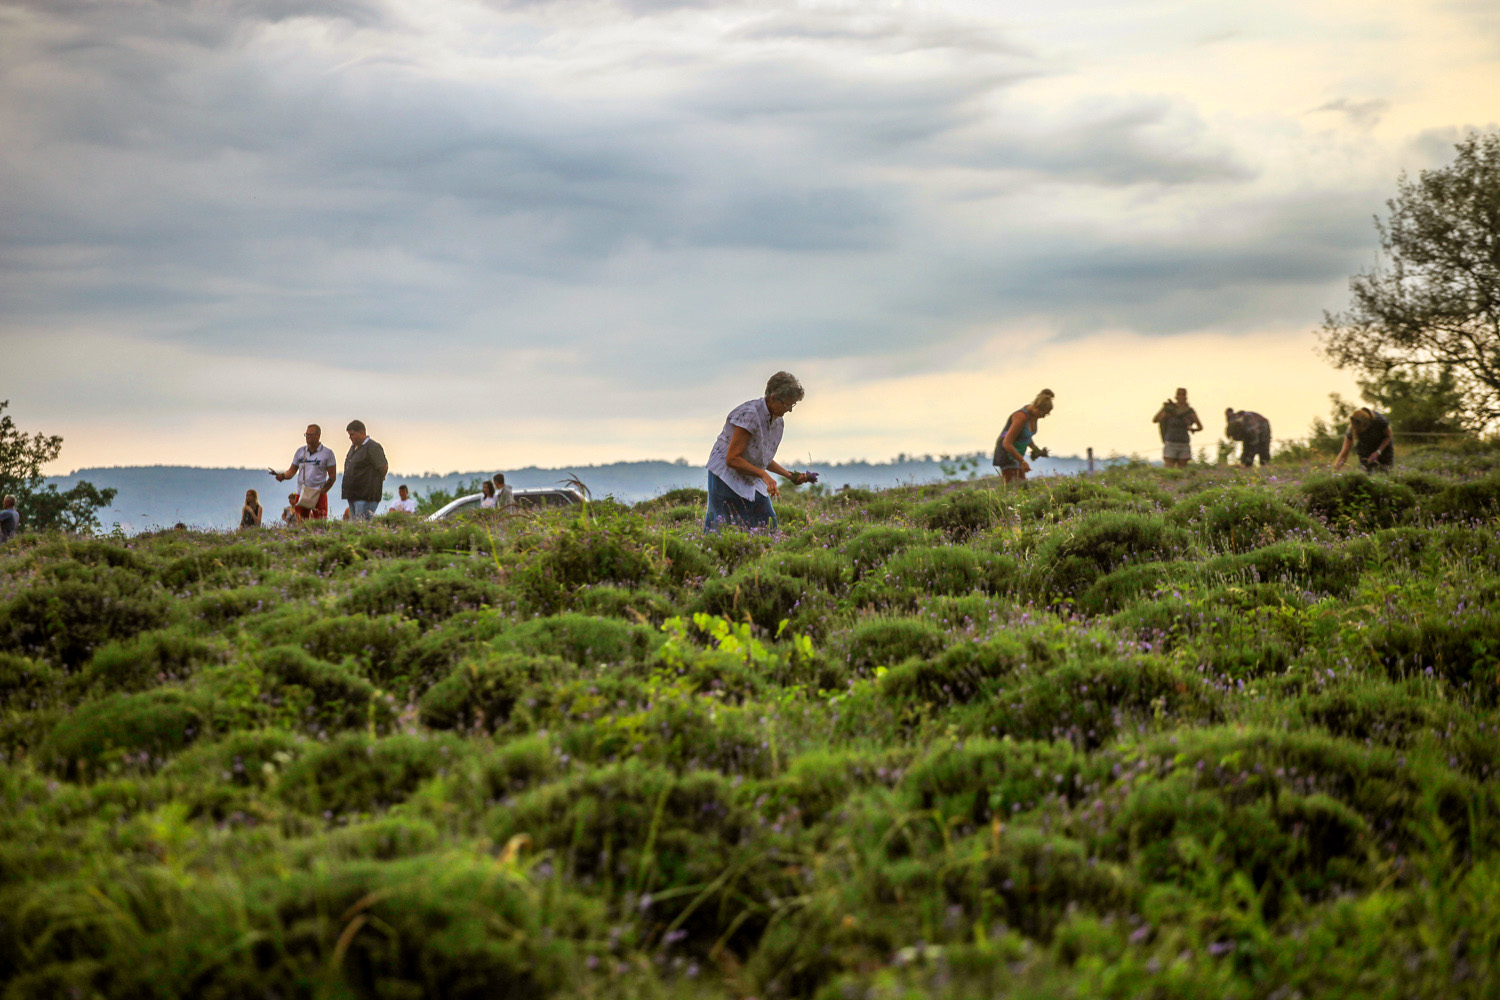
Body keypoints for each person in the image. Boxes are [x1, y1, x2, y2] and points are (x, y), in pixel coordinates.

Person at [704, 371, 813, 531]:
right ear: (773, 398)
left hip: (750, 477)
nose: (790, 410)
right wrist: (763, 475)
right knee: (723, 528)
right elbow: (732, 459)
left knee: (767, 522)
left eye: (793, 405)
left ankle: (766, 555)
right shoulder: (750, 415)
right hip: (726, 477)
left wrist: (790, 476)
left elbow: (762, 458)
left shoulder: (777, 422)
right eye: (787, 404)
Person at [271, 424, 337, 521]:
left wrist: (323, 491)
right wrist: (283, 476)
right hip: (301, 492)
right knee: (301, 522)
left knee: (320, 522)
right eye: (306, 435)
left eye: (310, 435)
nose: (307, 437)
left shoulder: (327, 453)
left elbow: (332, 476)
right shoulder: (300, 451)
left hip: (318, 492)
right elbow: (292, 471)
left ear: (318, 435)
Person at [993, 389, 1055, 485]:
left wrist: (1036, 450)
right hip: (1007, 455)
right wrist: (1022, 462)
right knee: (1014, 487)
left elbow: (1025, 436)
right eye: (1044, 413)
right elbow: (1006, 443)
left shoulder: (1033, 417)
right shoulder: (1021, 417)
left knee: (1023, 486)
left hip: (1017, 455)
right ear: (1037, 408)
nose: (1043, 417)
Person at [341, 419, 389, 521]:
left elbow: (383, 467)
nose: (350, 437)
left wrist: (373, 482)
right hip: (353, 494)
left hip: (366, 496)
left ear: (362, 433)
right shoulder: (354, 448)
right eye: (349, 435)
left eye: (352, 434)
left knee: (362, 524)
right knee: (355, 524)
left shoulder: (372, 447)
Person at [1153, 388, 1202, 468]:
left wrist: (1192, 429)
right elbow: (1156, 419)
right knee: (1168, 468)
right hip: (1171, 441)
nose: (1181, 397)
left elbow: (1200, 427)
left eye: (1183, 395)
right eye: (1179, 394)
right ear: (1176, 396)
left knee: (1182, 469)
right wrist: (1165, 410)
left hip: (1183, 442)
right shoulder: (1169, 408)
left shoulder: (1189, 411)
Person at [1334, 407, 1394, 472]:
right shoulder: (1351, 428)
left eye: (1358, 429)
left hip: (1383, 449)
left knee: (1385, 471)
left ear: (1365, 426)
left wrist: (1378, 452)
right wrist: (1337, 467)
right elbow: (1345, 450)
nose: (1356, 431)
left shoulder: (1380, 421)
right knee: (1367, 473)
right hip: (1365, 449)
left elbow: (1388, 436)